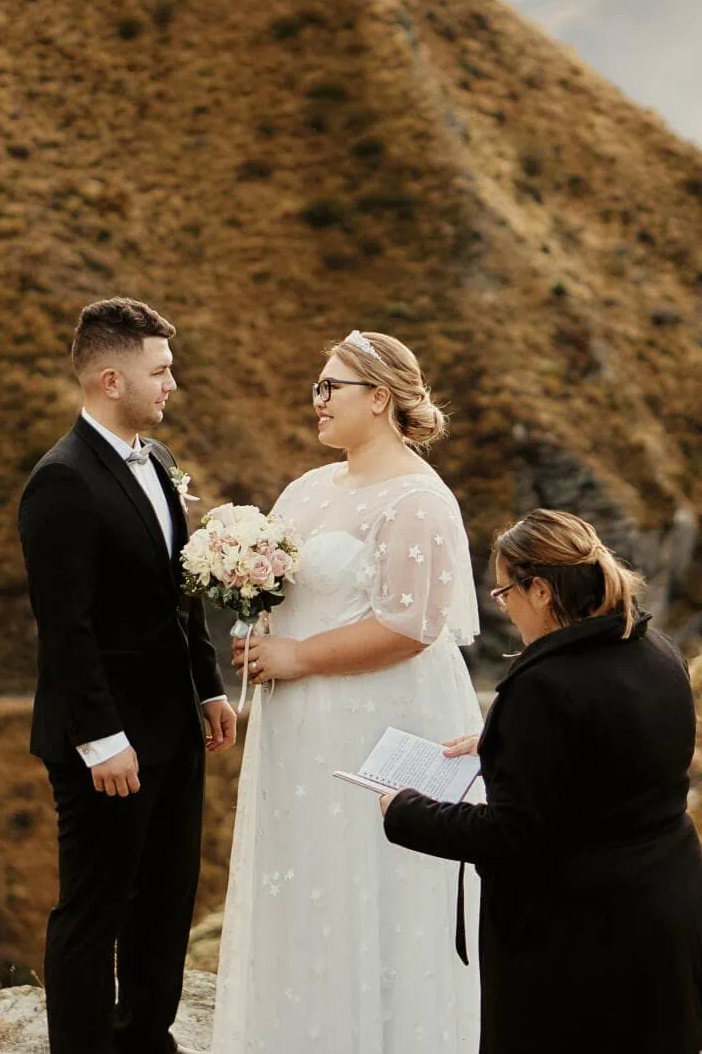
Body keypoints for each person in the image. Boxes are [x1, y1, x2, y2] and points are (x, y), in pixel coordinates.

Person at [209, 330, 482, 1054]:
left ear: (381, 398)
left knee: (376, 885)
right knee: (304, 883)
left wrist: (297, 652)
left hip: (379, 715)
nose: (318, 401)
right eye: (318, 387)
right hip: (299, 721)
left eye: (331, 387)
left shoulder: (419, 498)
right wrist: (257, 622)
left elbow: (413, 624)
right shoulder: (306, 487)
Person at [381, 509, 702, 1054]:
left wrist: (405, 810)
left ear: (542, 591)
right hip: (667, 911)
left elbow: (512, 836)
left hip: (580, 939)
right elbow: (619, 746)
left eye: (505, 594)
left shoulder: (543, 688)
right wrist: (504, 743)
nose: (505, 608)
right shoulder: (658, 651)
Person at [17, 297, 239, 1054]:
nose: (173, 383)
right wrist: (102, 738)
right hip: (104, 740)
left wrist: (207, 683)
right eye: (161, 370)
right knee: (94, 909)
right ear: (112, 378)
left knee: (167, 898)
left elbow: (178, 592)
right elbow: (66, 629)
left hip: (173, 722)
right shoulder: (61, 481)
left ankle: (145, 1036)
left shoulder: (163, 462)